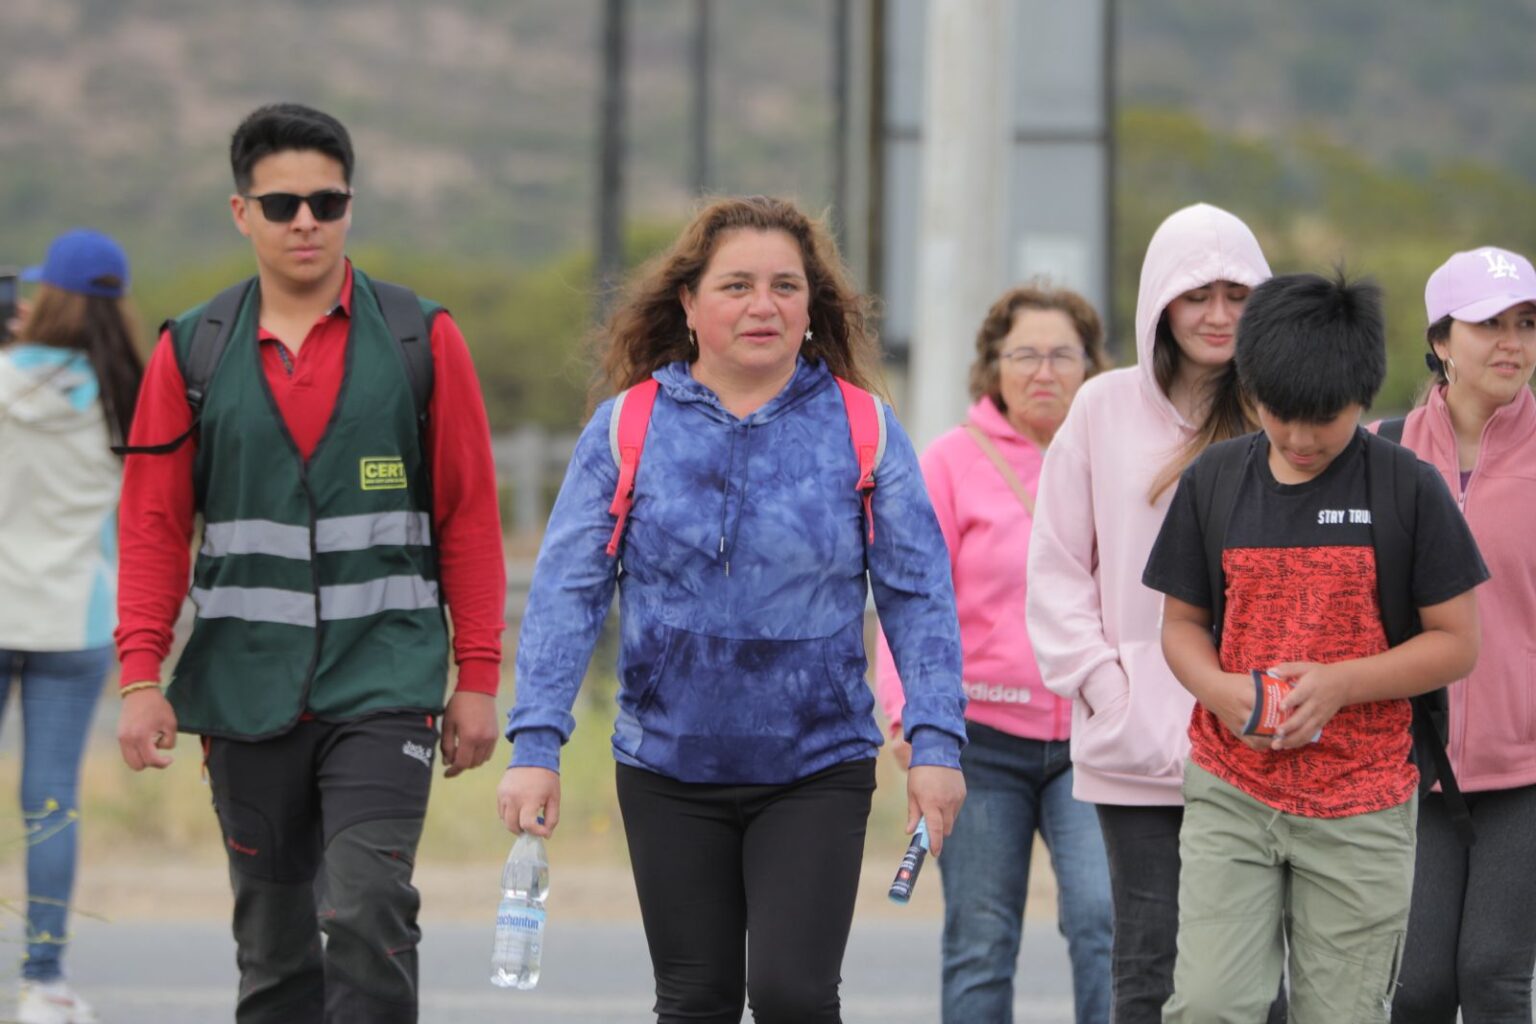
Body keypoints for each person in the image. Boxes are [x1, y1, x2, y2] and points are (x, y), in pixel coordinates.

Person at [498, 195, 968, 1024]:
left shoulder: (865, 428)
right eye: (738, 285)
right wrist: (537, 741)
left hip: (817, 767)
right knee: (695, 1000)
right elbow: (568, 592)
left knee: (793, 997)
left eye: (786, 286)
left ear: (813, 307)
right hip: (667, 768)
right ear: (688, 302)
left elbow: (919, 594)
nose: (764, 305)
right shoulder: (628, 426)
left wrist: (935, 740)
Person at [112, 103, 505, 1023]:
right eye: (282, 203)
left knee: (367, 909)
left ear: (349, 207)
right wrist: (140, 676)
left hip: (385, 681)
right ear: (241, 212)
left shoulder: (420, 338)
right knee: (276, 953)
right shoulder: (192, 351)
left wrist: (478, 675)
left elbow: (470, 516)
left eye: (326, 203)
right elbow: (155, 529)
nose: (305, 222)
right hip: (245, 694)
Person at [1142, 271, 1487, 1022]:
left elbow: (1458, 643)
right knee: (1207, 1005)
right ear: (1251, 389)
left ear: (1364, 397)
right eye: (1278, 413)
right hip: (1232, 790)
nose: (1299, 438)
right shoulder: (1214, 483)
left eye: (1323, 419)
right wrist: (1221, 691)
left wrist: (1338, 684)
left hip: (1362, 806)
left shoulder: (1407, 488)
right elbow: (1179, 627)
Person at [1025, 203, 1274, 1023]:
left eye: (1238, 294)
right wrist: (1106, 687)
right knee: (1146, 965)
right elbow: (1058, 565)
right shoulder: (1100, 409)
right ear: (1160, 303)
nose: (1217, 315)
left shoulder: (1284, 416)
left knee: (1256, 971)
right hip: (1133, 746)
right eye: (1196, 294)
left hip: (1259, 736)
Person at [876, 281, 1113, 1023]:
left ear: (1090, 366)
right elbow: (906, 600)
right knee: (980, 939)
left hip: (1095, 738)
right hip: (979, 741)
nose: (1044, 372)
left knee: (1105, 922)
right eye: (1025, 355)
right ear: (993, 366)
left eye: (1062, 355)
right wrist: (907, 717)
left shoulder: (1118, 458)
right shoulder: (948, 461)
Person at [1385, 247, 1536, 1024]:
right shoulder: (1383, 454)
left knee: (1495, 978)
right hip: (1409, 767)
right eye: (1489, 324)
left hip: (1528, 770)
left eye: (1526, 323)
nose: (1513, 342)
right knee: (1416, 992)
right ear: (1442, 341)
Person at [0, 228, 143, 1024]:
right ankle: (43, 983)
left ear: (42, 295)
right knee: (50, 802)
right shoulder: (128, 390)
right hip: (78, 618)